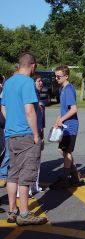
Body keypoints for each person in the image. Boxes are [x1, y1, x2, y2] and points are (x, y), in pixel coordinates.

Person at [1, 52, 47, 225]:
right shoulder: (27, 82)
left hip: (10, 134)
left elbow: (3, 108)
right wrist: (36, 135)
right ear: (33, 65)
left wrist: (11, 123)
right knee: (26, 174)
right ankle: (25, 214)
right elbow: (29, 111)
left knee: (13, 173)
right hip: (26, 134)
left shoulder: (9, 82)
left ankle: (12, 210)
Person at [49, 65, 81, 189]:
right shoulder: (62, 89)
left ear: (66, 76)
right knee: (64, 150)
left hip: (70, 126)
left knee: (66, 151)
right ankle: (75, 176)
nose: (56, 78)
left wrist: (62, 119)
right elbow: (64, 109)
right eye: (55, 76)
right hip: (64, 124)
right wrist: (58, 119)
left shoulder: (68, 89)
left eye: (59, 76)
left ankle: (66, 178)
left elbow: (73, 109)